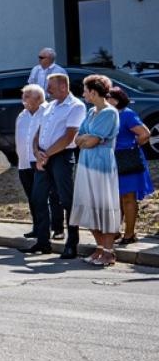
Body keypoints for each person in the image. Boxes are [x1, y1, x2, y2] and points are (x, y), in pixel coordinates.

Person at [27, 72, 85, 258]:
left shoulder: (76, 106)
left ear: (63, 86)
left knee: (67, 200)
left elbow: (69, 136)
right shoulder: (49, 106)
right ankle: (43, 242)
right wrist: (37, 152)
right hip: (44, 157)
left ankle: (72, 243)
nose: (47, 89)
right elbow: (38, 133)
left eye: (50, 85)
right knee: (38, 197)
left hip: (61, 157)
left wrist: (46, 155)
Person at [70, 75, 122, 266]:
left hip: (102, 166)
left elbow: (91, 141)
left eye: (85, 90)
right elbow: (78, 139)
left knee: (104, 207)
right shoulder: (91, 112)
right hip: (86, 164)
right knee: (90, 207)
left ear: (93, 92)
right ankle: (100, 248)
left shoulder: (110, 113)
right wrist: (86, 139)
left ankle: (109, 253)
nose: (83, 94)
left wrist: (88, 138)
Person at [14, 84, 59, 238]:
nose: (23, 100)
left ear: (39, 98)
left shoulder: (48, 111)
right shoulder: (22, 115)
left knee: (51, 196)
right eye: (23, 96)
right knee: (33, 198)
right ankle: (38, 228)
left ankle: (57, 228)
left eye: (27, 96)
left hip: (42, 161)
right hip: (24, 162)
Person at [109, 86, 152, 245]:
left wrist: (132, 146)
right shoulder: (108, 114)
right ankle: (115, 231)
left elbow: (145, 134)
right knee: (116, 198)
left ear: (116, 100)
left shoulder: (127, 114)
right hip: (113, 160)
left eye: (107, 97)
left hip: (127, 160)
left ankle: (129, 234)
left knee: (128, 197)